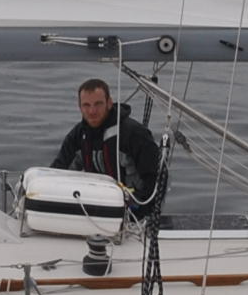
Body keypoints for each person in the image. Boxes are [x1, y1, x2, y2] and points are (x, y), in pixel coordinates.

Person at [51, 78, 166, 221]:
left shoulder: (134, 134)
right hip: (93, 210)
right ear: (80, 107)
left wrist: (140, 213)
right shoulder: (78, 135)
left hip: (134, 214)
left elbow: (156, 179)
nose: (92, 111)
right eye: (86, 105)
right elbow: (58, 172)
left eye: (98, 104)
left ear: (109, 103)